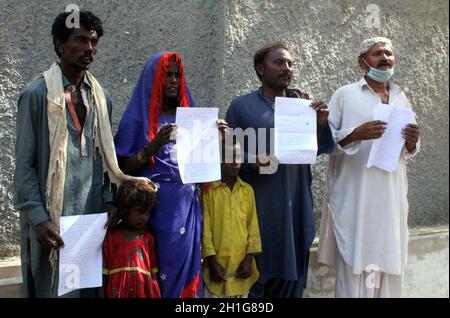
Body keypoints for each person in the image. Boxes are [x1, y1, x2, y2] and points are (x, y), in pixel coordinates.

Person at [13, 11, 149, 298]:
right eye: (80, 40)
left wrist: (111, 202)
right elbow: (24, 165)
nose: (89, 49)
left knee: (88, 291)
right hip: (52, 222)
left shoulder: (100, 97)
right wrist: (38, 218)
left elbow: (104, 160)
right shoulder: (37, 95)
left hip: (91, 219)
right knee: (52, 291)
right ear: (60, 44)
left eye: (94, 41)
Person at [114, 52, 227, 298]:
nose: (174, 80)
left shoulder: (190, 117)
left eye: (178, 75)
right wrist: (151, 147)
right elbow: (123, 167)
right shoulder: (138, 119)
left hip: (187, 207)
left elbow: (204, 163)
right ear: (154, 79)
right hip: (155, 209)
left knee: (186, 269)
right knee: (159, 271)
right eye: (167, 75)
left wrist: (216, 136)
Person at [225, 42, 334, 298]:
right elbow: (225, 152)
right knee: (259, 276)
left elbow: (319, 149)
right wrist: (252, 160)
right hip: (260, 206)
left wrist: (319, 124)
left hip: (297, 204)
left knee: (294, 275)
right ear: (261, 69)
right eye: (279, 62)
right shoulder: (242, 107)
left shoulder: (303, 106)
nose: (286, 68)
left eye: (290, 63)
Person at [317, 37, 420, 298]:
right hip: (356, 196)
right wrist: (355, 135)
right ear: (362, 62)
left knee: (389, 263)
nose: (384, 58)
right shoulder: (345, 94)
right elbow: (325, 141)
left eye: (388, 53)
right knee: (354, 265)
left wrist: (411, 142)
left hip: (390, 197)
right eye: (377, 53)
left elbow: (407, 150)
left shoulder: (400, 97)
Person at [202, 140, 262, 298]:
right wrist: (212, 262)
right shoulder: (208, 191)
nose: (235, 162)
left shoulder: (247, 191)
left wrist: (249, 259)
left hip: (241, 269)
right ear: (219, 160)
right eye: (230, 157)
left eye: (238, 157)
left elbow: (253, 227)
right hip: (217, 270)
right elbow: (205, 230)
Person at [102, 180, 161, 298]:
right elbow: (103, 275)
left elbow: (153, 275)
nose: (144, 217)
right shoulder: (110, 237)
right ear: (124, 209)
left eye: (147, 212)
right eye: (139, 211)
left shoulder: (148, 237)